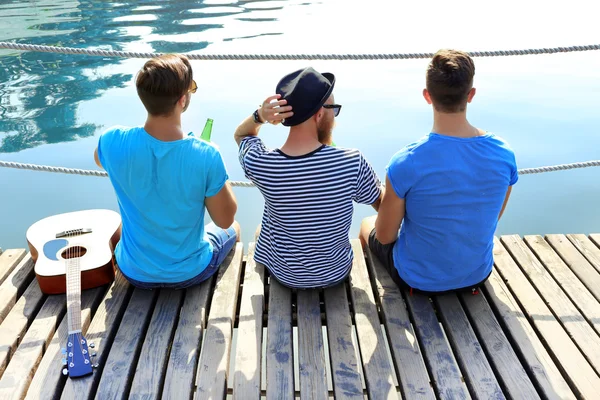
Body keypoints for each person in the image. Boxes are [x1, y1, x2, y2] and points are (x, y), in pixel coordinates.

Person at [360, 49, 518, 295]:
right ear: (471, 95)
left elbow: (385, 237)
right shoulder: (503, 153)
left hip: (416, 281)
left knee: (367, 225)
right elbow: (492, 218)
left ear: (427, 96)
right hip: (477, 275)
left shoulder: (406, 161)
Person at [94, 54, 240, 289]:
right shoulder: (206, 155)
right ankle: (223, 292)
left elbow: (99, 160)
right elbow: (225, 220)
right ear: (182, 100)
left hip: (134, 271)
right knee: (235, 228)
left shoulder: (112, 140)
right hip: (190, 272)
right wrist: (214, 168)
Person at [234, 67, 384, 289]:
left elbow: (241, 135)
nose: (335, 115)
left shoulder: (262, 163)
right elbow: (382, 204)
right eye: (333, 108)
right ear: (320, 114)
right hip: (336, 273)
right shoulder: (351, 161)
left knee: (259, 230)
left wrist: (260, 116)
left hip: (285, 277)